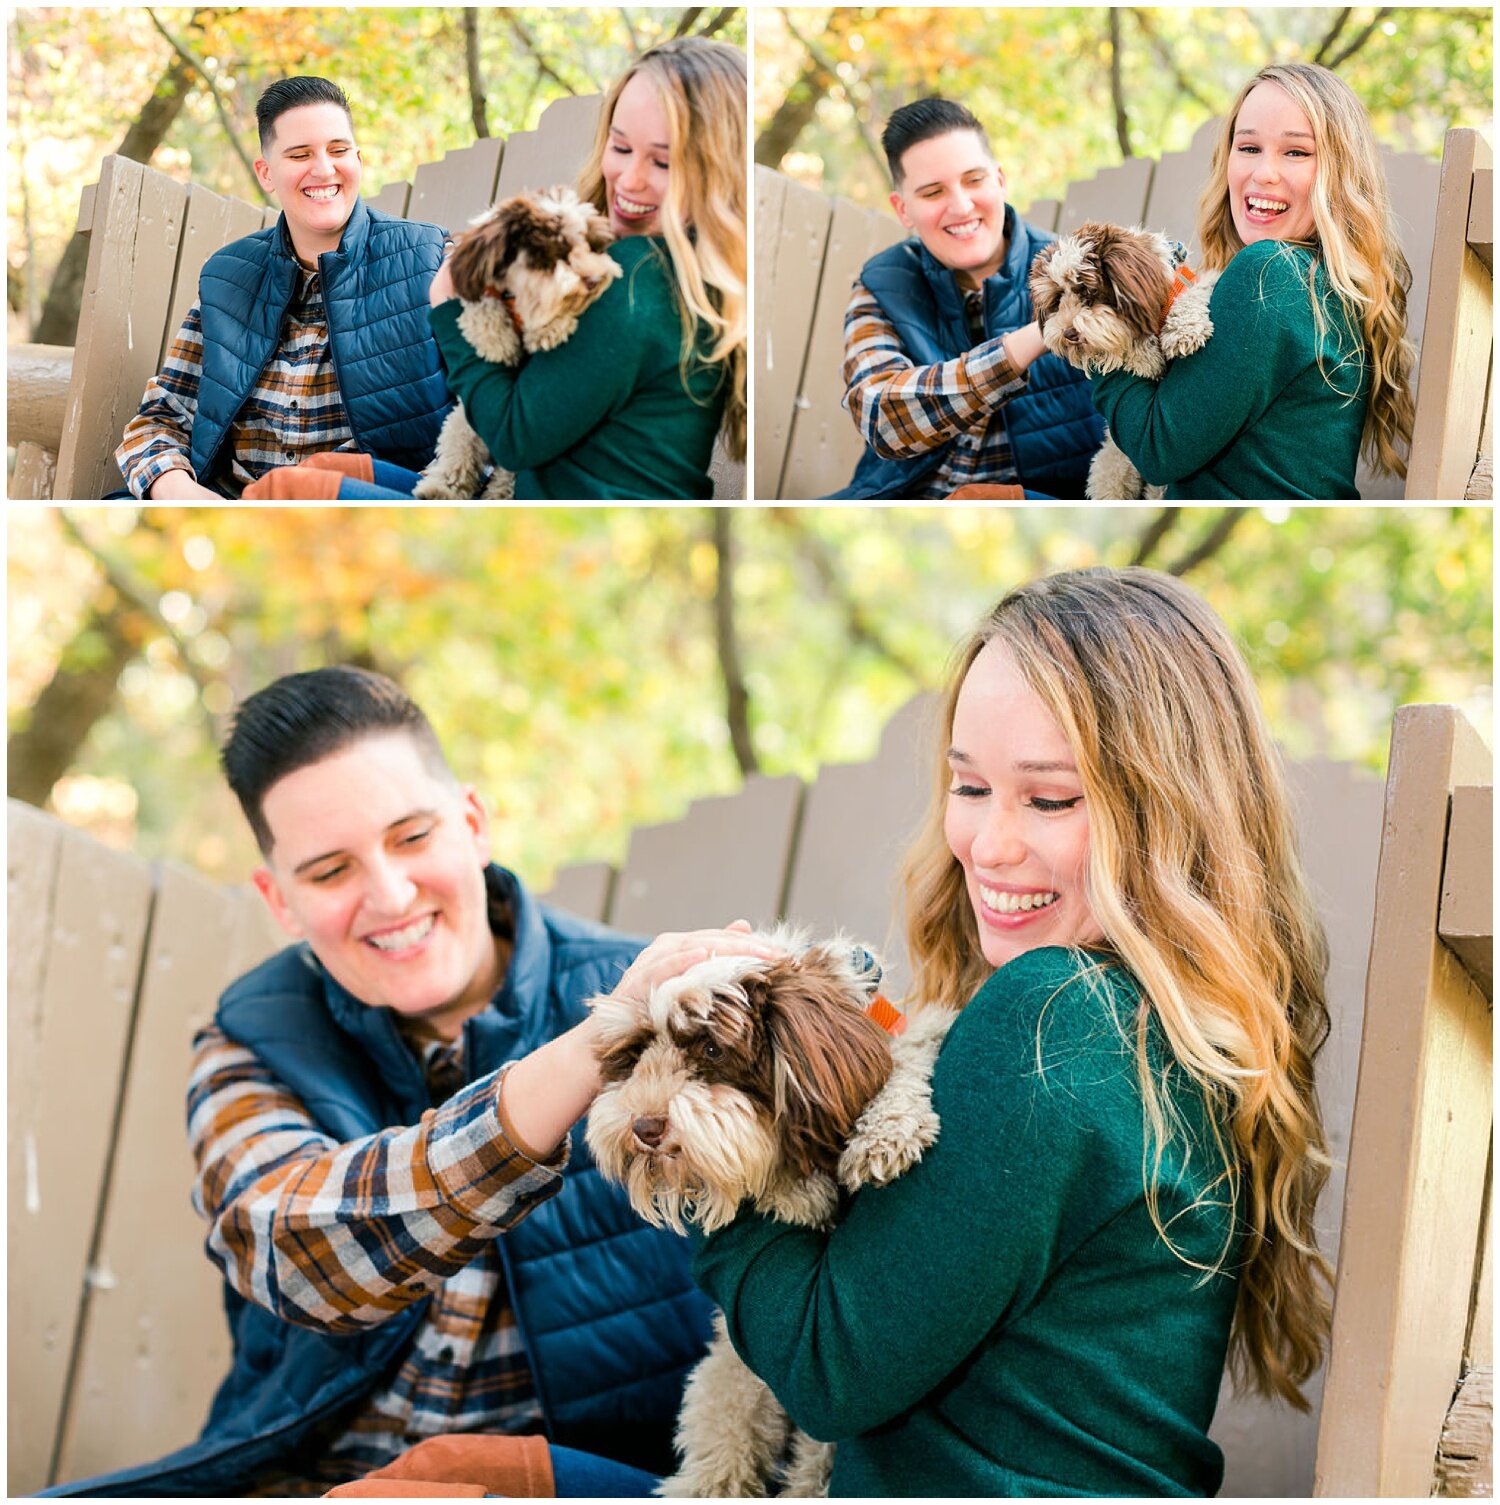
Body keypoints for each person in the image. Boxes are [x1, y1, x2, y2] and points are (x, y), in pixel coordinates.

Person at [44, 666, 781, 1498]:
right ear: (279, 900)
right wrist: (586, 1052)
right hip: (304, 1480)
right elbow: (296, 1254)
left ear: (472, 823)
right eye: (330, 871)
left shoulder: (671, 1009)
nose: (390, 895)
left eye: (412, 837)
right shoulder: (249, 1037)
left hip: (579, 1478)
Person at [688, 567, 1336, 1494]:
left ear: (1168, 813)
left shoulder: (1055, 1017)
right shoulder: (1172, 1034)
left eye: (1050, 799)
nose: (987, 844)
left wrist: (705, 1145)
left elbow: (829, 1364)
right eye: (969, 785)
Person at [250, 37, 748, 501]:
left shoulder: (634, 280)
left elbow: (512, 437)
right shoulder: (672, 270)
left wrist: (448, 305)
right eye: (620, 148)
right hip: (528, 495)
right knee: (328, 469)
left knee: (290, 492)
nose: (630, 179)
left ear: (717, 170)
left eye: (663, 163)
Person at [1026, 64, 1413, 500]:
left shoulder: (1270, 273)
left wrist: (1101, 340)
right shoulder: (1324, 283)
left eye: (1296, 152)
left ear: (1339, 173)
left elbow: (1159, 448)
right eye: (1248, 147)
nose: (1264, 172)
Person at [113, 77, 452, 500]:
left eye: (338, 150)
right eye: (300, 154)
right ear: (266, 173)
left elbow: (488, 423)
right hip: (228, 505)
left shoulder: (432, 262)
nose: (324, 169)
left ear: (358, 159)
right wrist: (183, 493)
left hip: (365, 506)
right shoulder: (228, 278)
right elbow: (160, 418)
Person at [830, 98, 1104, 501]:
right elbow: (882, 420)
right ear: (903, 210)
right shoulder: (881, 284)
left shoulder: (1079, 274)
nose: (960, 206)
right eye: (932, 192)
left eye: (974, 180)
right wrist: (1031, 340)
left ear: (1000, 181)